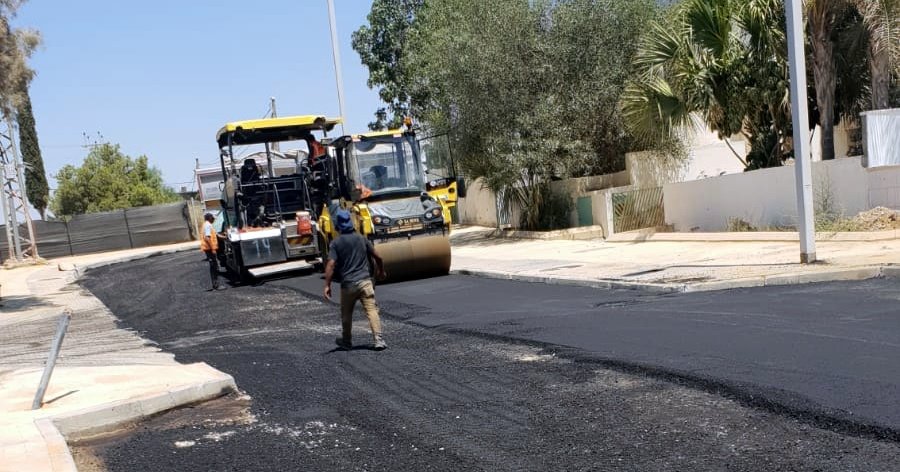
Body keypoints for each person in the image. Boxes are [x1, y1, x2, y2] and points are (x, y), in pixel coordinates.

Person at [323, 209, 387, 351]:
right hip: (365, 282)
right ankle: (379, 340)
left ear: (337, 226)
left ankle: (346, 341)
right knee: (371, 310)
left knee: (346, 313)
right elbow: (378, 257)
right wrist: (381, 271)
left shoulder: (336, 243)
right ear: (352, 223)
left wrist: (327, 285)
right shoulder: (361, 239)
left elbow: (331, 264)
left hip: (348, 285)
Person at [200, 212, 222, 290]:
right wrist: (213, 249)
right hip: (209, 249)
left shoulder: (207, 225)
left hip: (209, 249)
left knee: (214, 266)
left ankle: (216, 285)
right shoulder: (208, 225)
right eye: (213, 218)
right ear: (209, 218)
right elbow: (207, 238)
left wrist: (224, 236)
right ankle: (216, 285)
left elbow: (215, 234)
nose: (214, 220)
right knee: (214, 266)